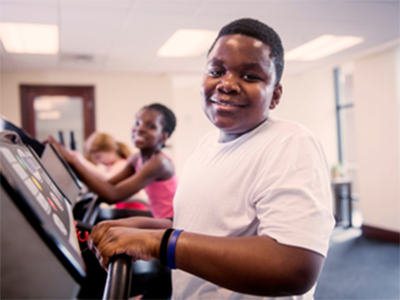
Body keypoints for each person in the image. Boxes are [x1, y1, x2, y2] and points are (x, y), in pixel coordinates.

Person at [88, 18, 335, 300]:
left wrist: (158, 243)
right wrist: (145, 227)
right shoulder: (206, 144)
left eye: (250, 76)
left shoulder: (290, 142)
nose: (227, 84)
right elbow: (206, 229)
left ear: (275, 95)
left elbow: (294, 266)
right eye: (216, 71)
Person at [47, 103, 178, 219]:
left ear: (163, 136)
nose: (140, 128)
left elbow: (113, 195)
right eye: (137, 123)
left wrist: (73, 161)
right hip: (160, 219)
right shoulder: (136, 158)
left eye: (150, 126)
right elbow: (109, 185)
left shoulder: (159, 163)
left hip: (172, 224)